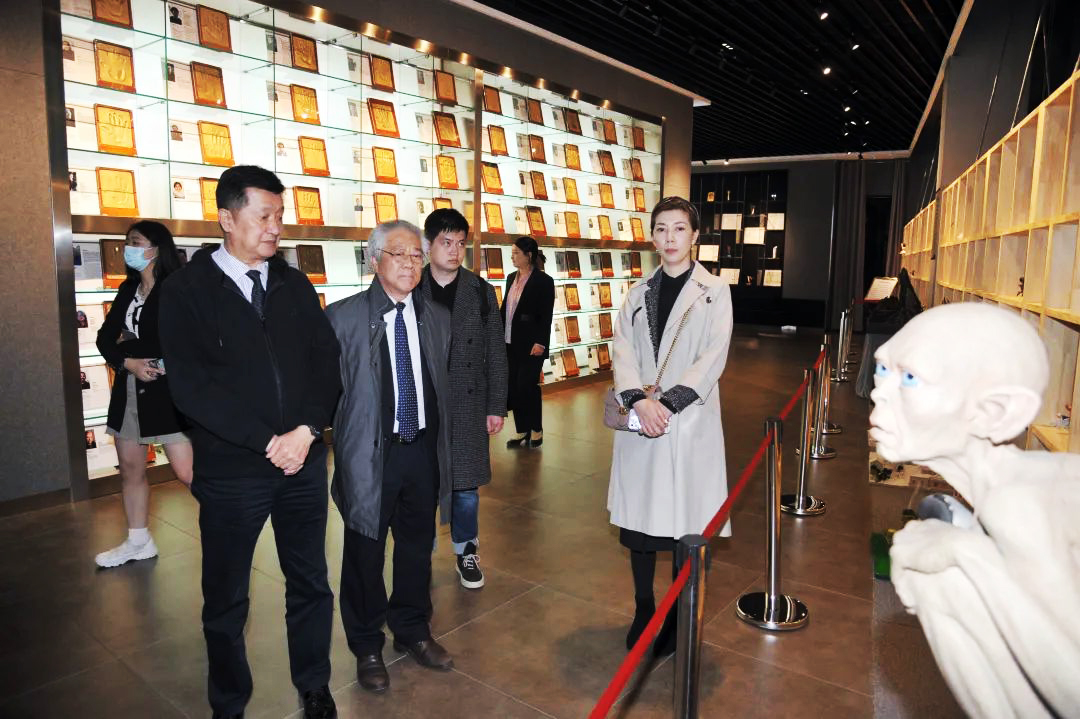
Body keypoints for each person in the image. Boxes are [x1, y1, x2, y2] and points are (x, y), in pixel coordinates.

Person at [159, 165, 341, 719]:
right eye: (264, 216)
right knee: (226, 598)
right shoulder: (186, 291)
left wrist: (306, 431)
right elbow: (192, 389)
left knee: (310, 582)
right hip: (232, 470)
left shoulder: (293, 284)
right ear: (226, 218)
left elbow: (326, 364)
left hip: (302, 463)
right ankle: (229, 703)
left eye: (279, 216)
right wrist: (267, 441)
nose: (275, 228)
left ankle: (314, 685)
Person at [875, 303, 1080, 718]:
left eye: (910, 377)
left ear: (994, 412)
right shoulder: (1002, 491)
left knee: (938, 571)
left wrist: (963, 551)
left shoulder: (1017, 503)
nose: (880, 391)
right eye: (883, 369)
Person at [326, 220, 454, 694]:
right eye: (398, 254)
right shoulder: (342, 319)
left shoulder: (436, 317)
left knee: (418, 547)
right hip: (370, 455)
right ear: (374, 259)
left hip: (420, 450)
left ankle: (413, 629)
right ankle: (366, 645)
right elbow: (326, 392)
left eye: (417, 255)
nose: (409, 264)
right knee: (365, 550)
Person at [608, 196, 734, 656]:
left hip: (688, 420)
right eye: (661, 229)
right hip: (643, 419)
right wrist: (639, 401)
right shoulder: (637, 292)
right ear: (652, 237)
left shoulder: (715, 290)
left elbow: (713, 356)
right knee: (640, 526)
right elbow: (622, 349)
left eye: (679, 228)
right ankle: (644, 608)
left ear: (695, 235)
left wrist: (668, 404)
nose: (670, 238)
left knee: (685, 523)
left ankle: (679, 616)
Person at [94, 220, 193, 569]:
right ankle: (139, 541)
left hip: (170, 392)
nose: (128, 249)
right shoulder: (128, 289)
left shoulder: (177, 287)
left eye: (136, 242)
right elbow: (105, 338)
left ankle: (227, 526)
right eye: (128, 242)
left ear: (156, 247)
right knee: (131, 469)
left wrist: (139, 350)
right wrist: (129, 361)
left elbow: (186, 340)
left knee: (187, 472)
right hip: (130, 388)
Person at [419, 208, 507, 589]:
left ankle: (466, 550)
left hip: (469, 402)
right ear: (428, 245)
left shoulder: (481, 291)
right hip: (422, 401)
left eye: (460, 244)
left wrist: (496, 406)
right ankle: (418, 552)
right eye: (446, 242)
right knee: (420, 482)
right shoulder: (411, 286)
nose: (454, 251)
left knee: (466, 486)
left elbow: (496, 353)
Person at [501, 237, 554, 448]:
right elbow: (506, 309)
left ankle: (536, 428)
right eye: (512, 253)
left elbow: (546, 315)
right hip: (509, 341)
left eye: (516, 253)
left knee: (527, 385)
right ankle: (522, 430)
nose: (512, 257)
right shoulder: (510, 278)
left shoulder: (543, 281)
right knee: (513, 386)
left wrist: (541, 342)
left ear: (528, 255)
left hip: (532, 345)